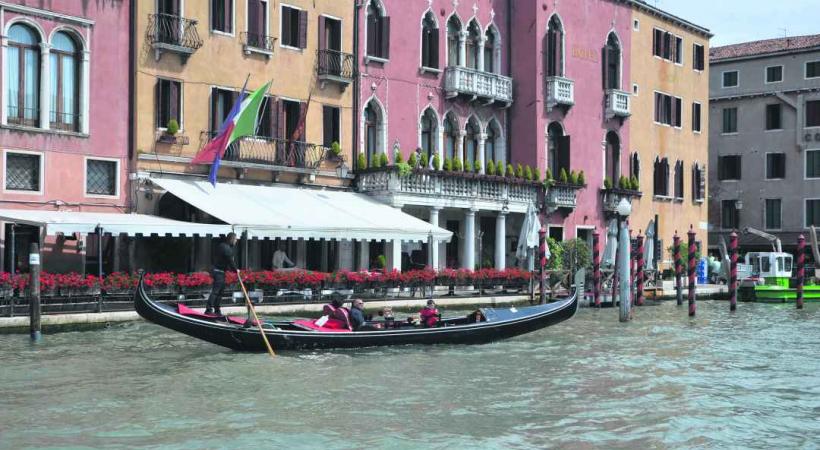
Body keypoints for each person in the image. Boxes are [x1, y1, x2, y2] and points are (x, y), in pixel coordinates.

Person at [205, 232, 238, 316]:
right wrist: (236, 270)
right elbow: (230, 261)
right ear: (231, 239)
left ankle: (217, 310)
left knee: (220, 292)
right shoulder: (226, 248)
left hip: (220, 272)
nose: (236, 241)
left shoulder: (222, 246)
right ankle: (208, 310)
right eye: (235, 239)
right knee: (216, 292)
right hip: (218, 272)